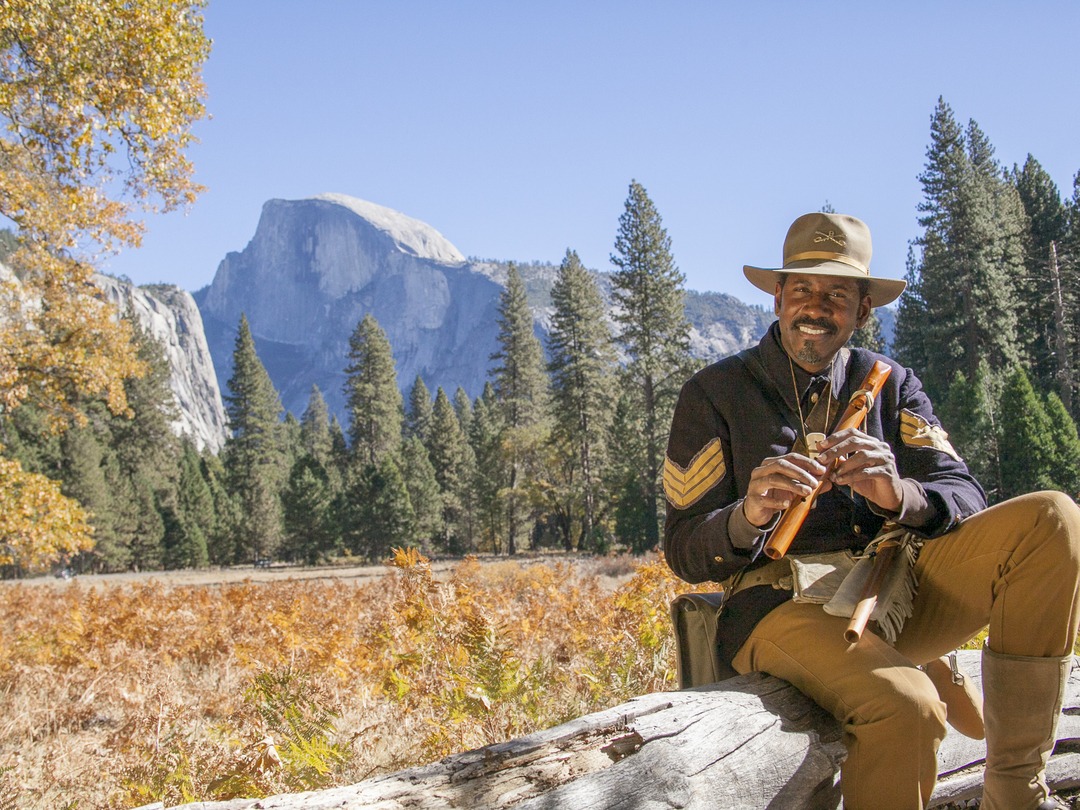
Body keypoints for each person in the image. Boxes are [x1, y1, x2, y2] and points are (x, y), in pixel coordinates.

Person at [662, 211, 1080, 810]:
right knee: (908, 707)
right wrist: (747, 514)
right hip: (777, 603)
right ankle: (918, 675)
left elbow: (964, 495)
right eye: (801, 289)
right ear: (777, 298)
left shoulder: (889, 383)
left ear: (862, 311)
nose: (815, 306)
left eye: (837, 295)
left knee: (1055, 519)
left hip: (895, 589)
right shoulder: (714, 393)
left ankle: (1016, 796)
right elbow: (682, 548)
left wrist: (898, 494)